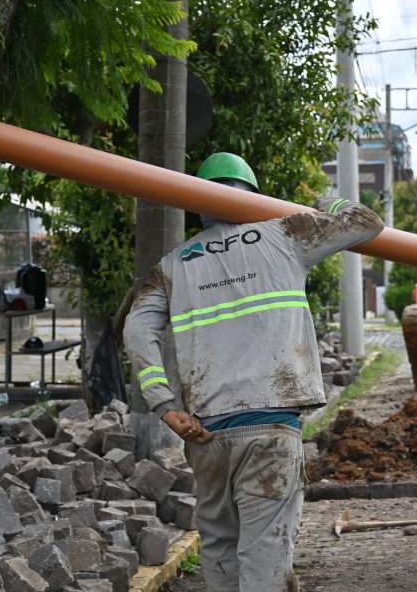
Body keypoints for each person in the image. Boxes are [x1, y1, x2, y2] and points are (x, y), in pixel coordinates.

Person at [123, 152, 384, 592]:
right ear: (253, 193)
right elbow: (367, 222)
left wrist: (165, 407)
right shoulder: (285, 231)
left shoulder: (173, 265)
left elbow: (136, 329)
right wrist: (327, 202)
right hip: (270, 429)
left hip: (206, 434)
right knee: (264, 563)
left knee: (221, 556)